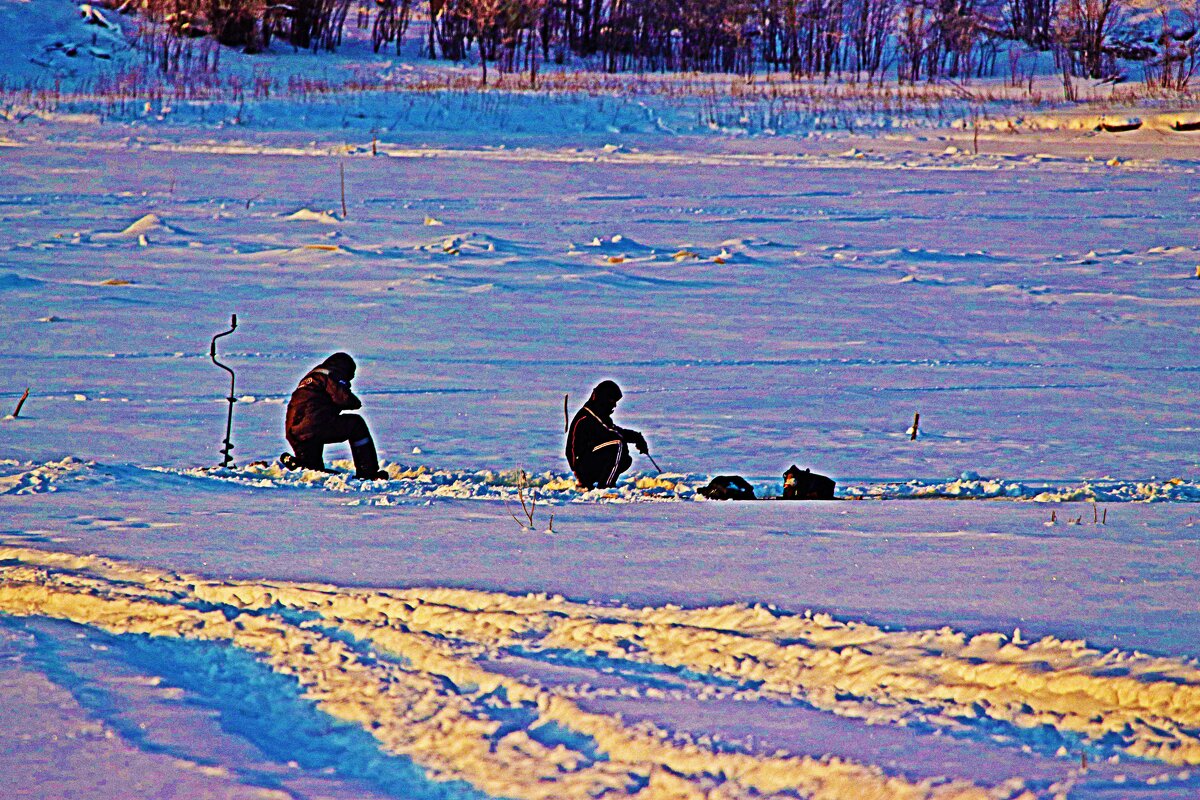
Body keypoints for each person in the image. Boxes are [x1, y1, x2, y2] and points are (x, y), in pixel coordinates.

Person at [283, 352, 388, 480]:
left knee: (313, 471)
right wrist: (354, 400)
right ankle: (368, 471)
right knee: (356, 424)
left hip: (294, 431)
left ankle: (298, 464)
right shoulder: (331, 374)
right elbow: (344, 399)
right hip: (315, 425)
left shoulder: (311, 378)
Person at [566, 380, 648, 489]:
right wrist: (576, 471)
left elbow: (613, 430)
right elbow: (612, 434)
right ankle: (606, 486)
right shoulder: (589, 415)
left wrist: (637, 437)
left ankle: (602, 481)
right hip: (582, 465)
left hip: (586, 461)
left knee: (625, 459)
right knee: (618, 444)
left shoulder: (597, 414)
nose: (614, 405)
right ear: (603, 399)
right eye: (612, 400)